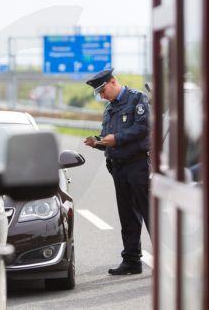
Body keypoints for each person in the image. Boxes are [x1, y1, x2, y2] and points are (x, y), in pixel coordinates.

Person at [84, 68, 151, 275]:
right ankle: (131, 260)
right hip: (119, 168)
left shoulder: (137, 99)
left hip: (137, 165)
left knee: (149, 212)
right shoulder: (110, 109)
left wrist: (117, 139)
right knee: (127, 216)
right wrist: (97, 142)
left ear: (113, 82)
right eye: (99, 93)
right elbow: (108, 138)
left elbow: (143, 128)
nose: (102, 96)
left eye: (103, 91)